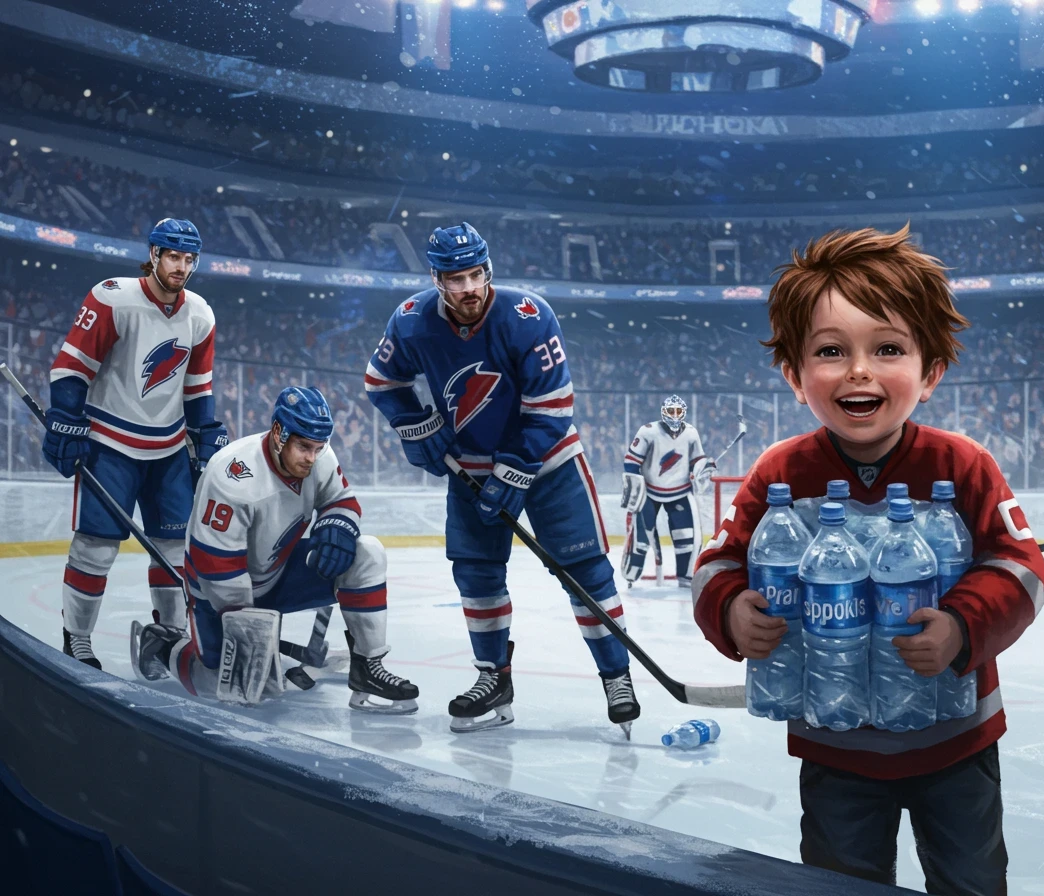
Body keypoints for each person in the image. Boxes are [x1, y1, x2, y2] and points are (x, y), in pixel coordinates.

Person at [692, 227, 1044, 895]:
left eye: (888, 348)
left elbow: (1020, 565)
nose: (859, 370)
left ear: (930, 371)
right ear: (796, 377)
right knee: (839, 883)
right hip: (835, 737)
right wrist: (732, 610)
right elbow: (719, 561)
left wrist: (964, 625)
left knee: (970, 880)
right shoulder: (779, 473)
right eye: (831, 351)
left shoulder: (963, 466)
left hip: (955, 739)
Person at [364, 222, 639, 736]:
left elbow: (552, 406)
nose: (468, 288)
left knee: (584, 570)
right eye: (454, 278)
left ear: (487, 269)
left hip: (550, 462)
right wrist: (415, 423)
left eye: (475, 274)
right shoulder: (410, 320)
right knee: (476, 573)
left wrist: (515, 468)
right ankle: (494, 678)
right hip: (469, 466)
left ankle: (616, 676)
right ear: (436, 280)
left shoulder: (527, 315)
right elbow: (382, 381)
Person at [130, 386, 419, 713]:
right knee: (228, 688)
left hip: (276, 576)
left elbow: (342, 501)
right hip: (217, 592)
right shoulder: (233, 473)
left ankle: (368, 666)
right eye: (304, 447)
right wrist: (252, 636)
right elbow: (215, 566)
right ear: (279, 433)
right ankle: (164, 646)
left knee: (367, 553)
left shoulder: (319, 458)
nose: (312, 457)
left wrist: (337, 523)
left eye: (319, 447)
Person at [44, 218, 227, 669]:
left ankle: (169, 636)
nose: (181, 266)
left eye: (189, 259)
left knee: (173, 549)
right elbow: (72, 366)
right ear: (153, 254)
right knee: (96, 545)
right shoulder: (112, 297)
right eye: (173, 256)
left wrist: (205, 437)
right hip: (109, 444)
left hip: (168, 449)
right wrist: (66, 419)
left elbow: (198, 389)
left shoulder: (201, 314)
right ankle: (78, 638)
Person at [620, 395, 714, 588]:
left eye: (678, 411)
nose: (675, 415)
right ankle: (631, 573)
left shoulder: (691, 433)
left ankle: (686, 577)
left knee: (688, 538)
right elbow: (631, 462)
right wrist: (635, 488)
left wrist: (705, 466)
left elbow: (697, 461)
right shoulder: (648, 432)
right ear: (663, 412)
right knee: (641, 539)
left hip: (680, 492)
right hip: (649, 493)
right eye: (671, 411)